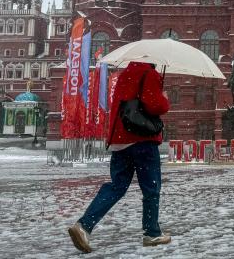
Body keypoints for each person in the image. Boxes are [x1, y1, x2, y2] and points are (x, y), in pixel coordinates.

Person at [68, 62, 171, 254]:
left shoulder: (126, 74)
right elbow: (154, 104)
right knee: (151, 188)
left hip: (119, 139)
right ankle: (152, 233)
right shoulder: (150, 73)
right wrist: (164, 99)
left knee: (116, 187)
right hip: (142, 139)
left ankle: (84, 226)